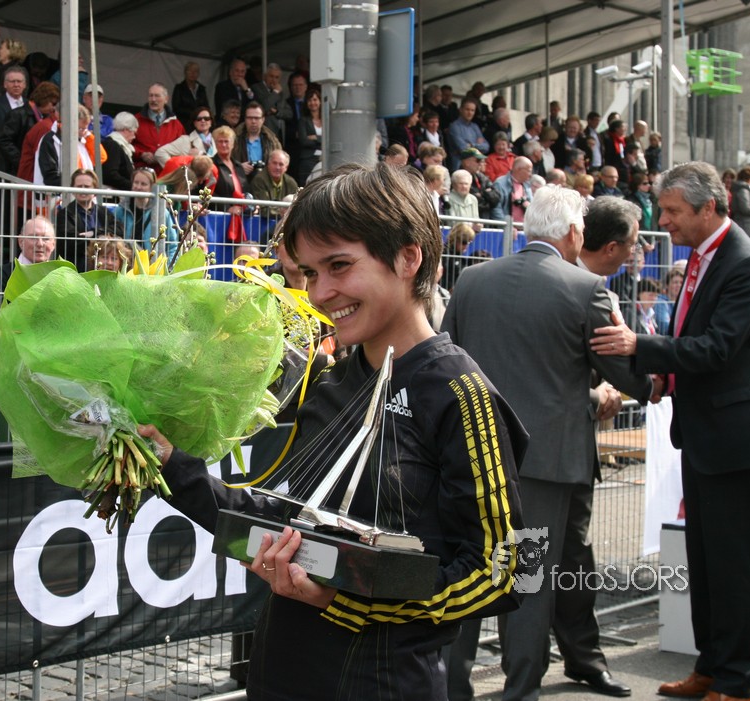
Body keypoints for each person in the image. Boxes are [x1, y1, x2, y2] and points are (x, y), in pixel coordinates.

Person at [138, 162, 527, 700]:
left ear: (408, 257)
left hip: (384, 684)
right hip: (280, 673)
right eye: (310, 272)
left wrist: (346, 602)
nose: (320, 292)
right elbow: (288, 522)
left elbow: (504, 572)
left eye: (339, 265)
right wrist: (168, 465)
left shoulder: (460, 392)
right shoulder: (331, 380)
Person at [444, 185, 652, 701]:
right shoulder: (586, 288)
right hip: (545, 465)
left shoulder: (472, 280)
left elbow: (448, 361)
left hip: (475, 457)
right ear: (575, 232)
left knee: (468, 572)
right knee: (528, 583)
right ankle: (520, 689)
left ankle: (450, 688)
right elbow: (624, 371)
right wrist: (653, 372)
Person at [590, 161, 750, 701]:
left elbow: (717, 348)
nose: (664, 221)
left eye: (673, 211)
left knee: (730, 564)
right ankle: (711, 667)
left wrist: (640, 346)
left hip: (735, 436)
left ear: (709, 208)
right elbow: (695, 341)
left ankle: (736, 681)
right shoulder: (704, 256)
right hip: (706, 431)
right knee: (703, 560)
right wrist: (664, 378)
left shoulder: (745, 263)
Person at [54, 168, 118, 271]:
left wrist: (93, 233)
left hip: (103, 268)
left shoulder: (104, 212)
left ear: (95, 189)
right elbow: (71, 243)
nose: (83, 190)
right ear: (72, 189)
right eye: (79, 186)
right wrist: (102, 239)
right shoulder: (65, 214)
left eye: (87, 186)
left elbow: (118, 230)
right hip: (76, 269)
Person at [111, 167, 178, 257]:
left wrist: (167, 264)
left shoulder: (162, 213)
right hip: (126, 260)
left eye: (143, 184)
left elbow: (172, 245)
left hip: (152, 262)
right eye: (136, 182)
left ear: (151, 187)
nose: (138, 187)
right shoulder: (120, 210)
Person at [0, 216, 57, 292]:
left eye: (46, 239)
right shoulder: (4, 274)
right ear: (21, 241)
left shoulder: (59, 275)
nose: (40, 244)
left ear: (53, 244)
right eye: (33, 237)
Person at [134, 83, 185, 168]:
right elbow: (126, 145)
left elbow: (183, 149)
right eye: (151, 96)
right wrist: (141, 154)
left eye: (157, 96)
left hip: (168, 172)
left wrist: (166, 156)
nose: (153, 99)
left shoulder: (176, 125)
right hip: (142, 171)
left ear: (166, 99)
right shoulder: (136, 120)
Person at [232, 101, 283, 182]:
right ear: (245, 119)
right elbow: (225, 164)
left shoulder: (272, 141)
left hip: (265, 183)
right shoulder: (234, 139)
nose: (253, 121)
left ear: (263, 119)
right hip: (240, 182)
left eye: (256, 118)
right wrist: (238, 168)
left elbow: (280, 164)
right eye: (250, 118)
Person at [248, 149, 299, 218]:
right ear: (268, 164)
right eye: (274, 163)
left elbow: (295, 208)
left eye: (281, 164)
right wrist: (283, 211)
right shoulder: (259, 180)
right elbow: (263, 209)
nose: (277, 167)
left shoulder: (291, 183)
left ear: (286, 167)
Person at [101, 111, 139, 192]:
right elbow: (110, 174)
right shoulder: (113, 145)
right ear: (126, 130)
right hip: (112, 195)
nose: (134, 137)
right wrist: (132, 187)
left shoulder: (119, 145)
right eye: (134, 132)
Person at [296, 87, 323, 183]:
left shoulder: (327, 119)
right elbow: (303, 141)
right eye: (310, 100)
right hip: (308, 159)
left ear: (320, 101)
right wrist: (322, 141)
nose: (312, 103)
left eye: (315, 99)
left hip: (324, 158)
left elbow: (331, 139)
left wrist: (316, 137)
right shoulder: (303, 120)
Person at [171, 61, 209, 127]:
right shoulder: (179, 88)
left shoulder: (201, 89)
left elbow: (206, 106)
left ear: (198, 74)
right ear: (185, 72)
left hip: (199, 123)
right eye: (190, 71)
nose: (192, 73)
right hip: (184, 123)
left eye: (195, 71)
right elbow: (176, 108)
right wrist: (194, 113)